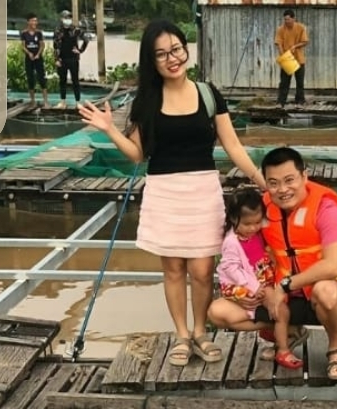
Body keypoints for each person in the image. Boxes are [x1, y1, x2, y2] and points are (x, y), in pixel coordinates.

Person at [78, 20, 267, 367]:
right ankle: (182, 335)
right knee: (174, 270)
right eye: (162, 54)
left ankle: (200, 332)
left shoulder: (208, 93)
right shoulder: (147, 100)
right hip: (165, 192)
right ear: (152, 61)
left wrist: (261, 179)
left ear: (186, 49)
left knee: (201, 269)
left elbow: (233, 145)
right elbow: (137, 154)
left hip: (203, 191)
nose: (172, 59)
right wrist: (108, 129)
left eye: (176, 49)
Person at [208, 147, 337, 382]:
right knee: (217, 312)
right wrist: (253, 290)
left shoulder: (325, 207)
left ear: (304, 176)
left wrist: (284, 287)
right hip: (281, 297)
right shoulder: (263, 208)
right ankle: (290, 332)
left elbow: (333, 266)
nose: (282, 189)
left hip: (319, 293)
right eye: (274, 183)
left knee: (326, 292)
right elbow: (244, 253)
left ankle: (336, 350)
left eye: (289, 180)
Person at [217, 187, 302, 369]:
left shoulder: (256, 231)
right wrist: (255, 288)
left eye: (257, 222)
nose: (253, 228)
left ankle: (285, 335)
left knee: (276, 310)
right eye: (248, 224)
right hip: (246, 285)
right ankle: (283, 348)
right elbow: (230, 268)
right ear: (233, 219)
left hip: (261, 281)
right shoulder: (232, 242)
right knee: (281, 311)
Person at [54, 10, 88, 108]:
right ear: (61, 19)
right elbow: (55, 46)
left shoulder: (75, 30)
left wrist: (80, 50)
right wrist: (56, 59)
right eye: (66, 18)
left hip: (73, 59)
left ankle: (78, 102)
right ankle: (63, 102)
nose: (68, 20)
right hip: (62, 60)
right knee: (62, 81)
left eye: (69, 18)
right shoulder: (57, 31)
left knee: (75, 81)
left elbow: (86, 39)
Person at [274, 9, 308, 107]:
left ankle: (300, 101)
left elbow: (305, 41)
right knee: (284, 82)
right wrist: (283, 55)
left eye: (288, 19)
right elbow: (278, 43)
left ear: (293, 19)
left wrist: (295, 46)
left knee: (300, 82)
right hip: (287, 58)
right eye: (285, 19)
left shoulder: (300, 28)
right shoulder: (281, 29)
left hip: (298, 59)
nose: (286, 22)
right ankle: (281, 102)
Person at [21, 14, 49, 108]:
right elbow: (23, 46)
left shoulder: (39, 33)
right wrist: (28, 53)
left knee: (41, 78)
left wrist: (37, 55)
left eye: (35, 21)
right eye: (32, 21)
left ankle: (45, 101)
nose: (34, 23)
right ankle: (32, 101)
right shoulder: (24, 33)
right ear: (28, 22)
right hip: (29, 59)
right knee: (30, 79)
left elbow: (42, 45)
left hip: (38, 59)